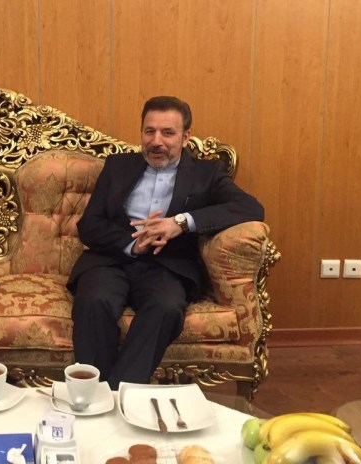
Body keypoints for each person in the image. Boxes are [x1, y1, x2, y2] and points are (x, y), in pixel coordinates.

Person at [67, 96, 264, 389]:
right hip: (112, 259)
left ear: (185, 137)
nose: (156, 141)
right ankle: (94, 392)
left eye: (168, 133)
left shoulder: (206, 174)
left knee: (166, 308)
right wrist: (132, 243)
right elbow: (89, 224)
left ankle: (117, 393)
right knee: (93, 302)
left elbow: (250, 208)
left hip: (167, 266)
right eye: (149, 131)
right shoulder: (118, 166)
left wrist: (180, 223)